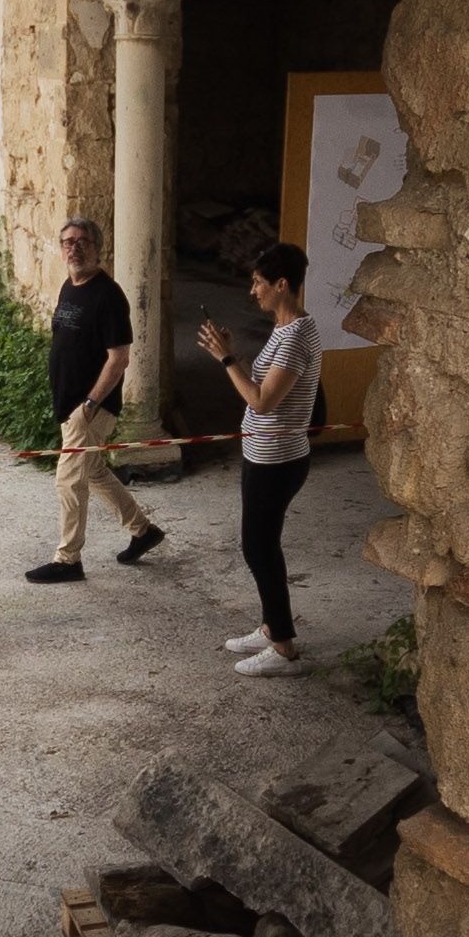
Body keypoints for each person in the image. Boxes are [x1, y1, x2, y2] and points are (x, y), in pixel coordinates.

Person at [198, 240, 323, 677]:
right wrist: (236, 356)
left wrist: (225, 357)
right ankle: (272, 627)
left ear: (281, 284)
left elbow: (262, 401)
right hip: (264, 456)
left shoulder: (294, 339)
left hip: (278, 462)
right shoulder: (287, 329)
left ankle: (284, 646)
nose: (253, 291)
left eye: (258, 283)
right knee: (260, 544)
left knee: (259, 547)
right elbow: (264, 384)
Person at [23, 215, 164, 584]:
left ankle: (68, 559)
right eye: (68, 241)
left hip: (92, 406)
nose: (74, 247)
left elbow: (119, 357)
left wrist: (89, 404)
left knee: (68, 480)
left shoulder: (108, 295)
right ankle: (143, 530)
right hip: (72, 404)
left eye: (82, 241)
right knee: (95, 471)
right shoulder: (69, 287)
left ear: (97, 248)